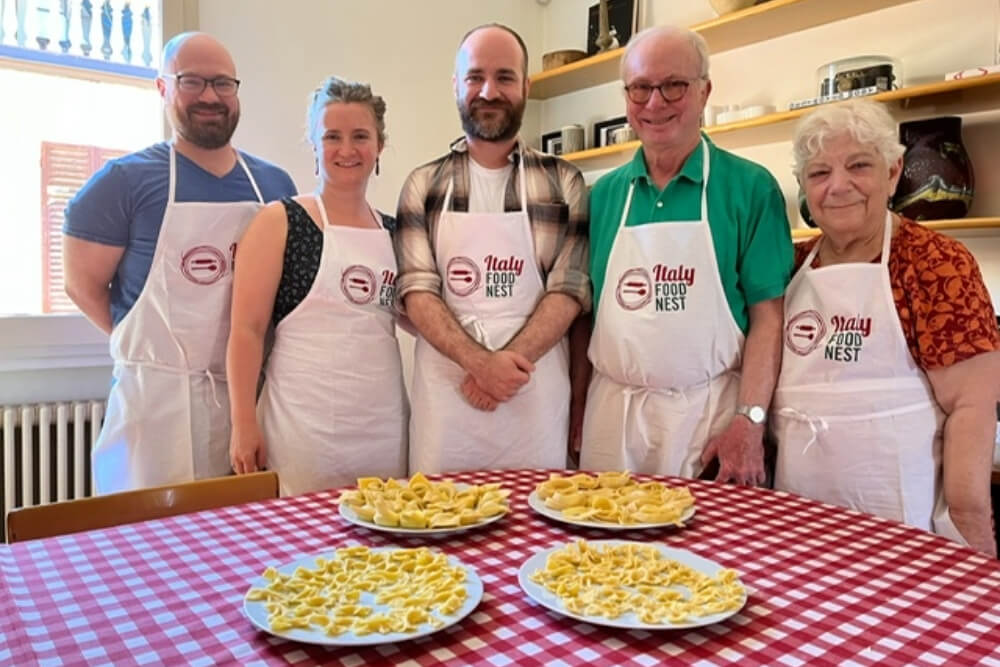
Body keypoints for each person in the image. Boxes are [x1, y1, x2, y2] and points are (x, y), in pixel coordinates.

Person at [62, 32, 297, 494]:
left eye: (223, 84)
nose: (210, 96)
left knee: (241, 547)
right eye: (192, 81)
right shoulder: (122, 183)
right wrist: (152, 353)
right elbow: (81, 285)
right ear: (163, 88)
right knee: (146, 550)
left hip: (247, 402)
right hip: (155, 409)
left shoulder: (273, 184)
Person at [773, 99, 999, 556]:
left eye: (858, 165)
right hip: (797, 513)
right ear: (803, 187)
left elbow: (972, 407)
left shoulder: (936, 264)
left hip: (901, 517)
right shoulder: (790, 265)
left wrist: (971, 526)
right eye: (819, 173)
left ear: (894, 172)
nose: (838, 187)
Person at [577, 25, 793, 484]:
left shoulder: (751, 189)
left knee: (708, 553)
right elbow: (583, 316)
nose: (655, 103)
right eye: (640, 88)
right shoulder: (601, 196)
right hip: (611, 418)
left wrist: (750, 421)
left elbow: (768, 320)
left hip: (708, 420)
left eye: (674, 85)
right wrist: (575, 409)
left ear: (704, 91)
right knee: (597, 553)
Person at [395, 23, 591, 473]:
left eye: (504, 77)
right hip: (447, 398)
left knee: (537, 528)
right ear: (456, 87)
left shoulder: (564, 182)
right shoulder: (422, 186)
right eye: (475, 77)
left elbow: (569, 290)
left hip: (534, 399)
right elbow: (417, 293)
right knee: (437, 526)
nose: (489, 91)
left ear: (525, 85)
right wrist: (480, 365)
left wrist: (504, 370)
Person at [227, 77, 407, 497]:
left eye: (360, 136)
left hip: (383, 429)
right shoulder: (281, 221)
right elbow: (246, 330)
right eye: (332, 136)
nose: (347, 149)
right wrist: (243, 423)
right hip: (302, 433)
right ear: (313, 145)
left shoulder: (396, 232)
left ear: (379, 145)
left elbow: (416, 318)